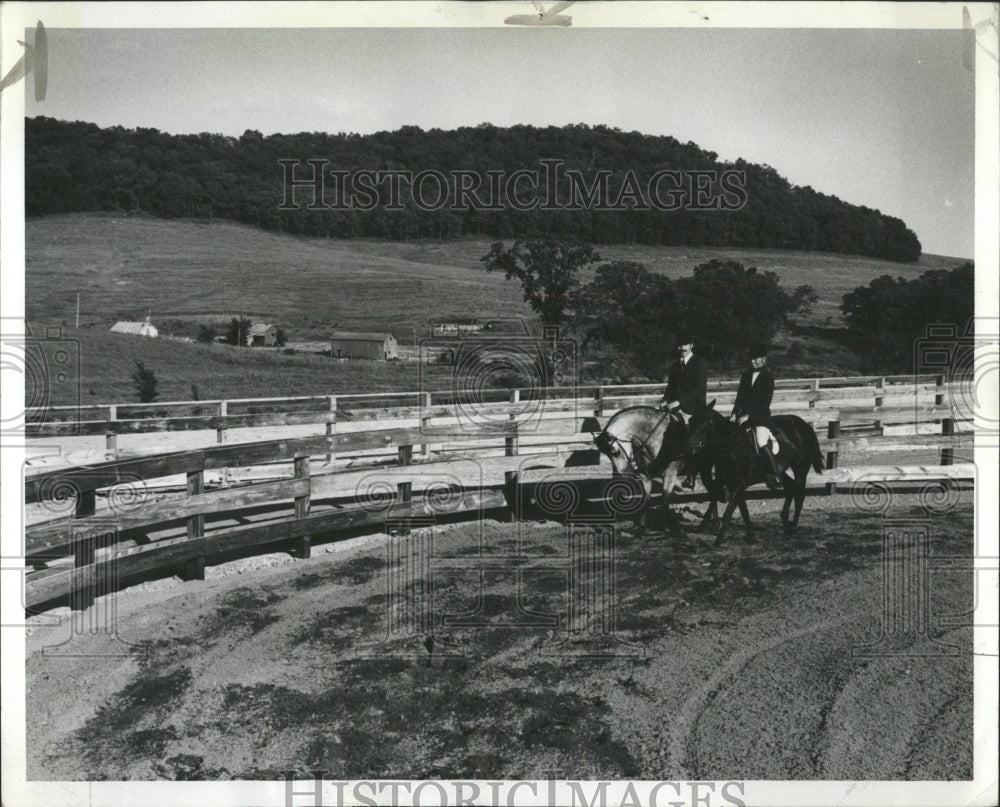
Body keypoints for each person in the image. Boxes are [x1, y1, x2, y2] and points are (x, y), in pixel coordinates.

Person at [649, 333, 708, 483]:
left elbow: (698, 389)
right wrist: (665, 400)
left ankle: (691, 473)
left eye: (685, 344)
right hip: (676, 407)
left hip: (694, 409)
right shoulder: (676, 365)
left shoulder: (700, 363)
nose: (682, 348)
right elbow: (671, 387)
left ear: (691, 345)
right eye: (680, 345)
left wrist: (679, 402)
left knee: (691, 435)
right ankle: (660, 465)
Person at [731, 343, 782, 489]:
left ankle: (774, 475)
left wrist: (749, 416)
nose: (752, 361)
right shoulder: (746, 375)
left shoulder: (768, 377)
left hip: (760, 417)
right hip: (742, 417)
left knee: (760, 441)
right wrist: (734, 413)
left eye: (756, 359)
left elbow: (765, 402)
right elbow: (740, 397)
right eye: (751, 359)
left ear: (764, 359)